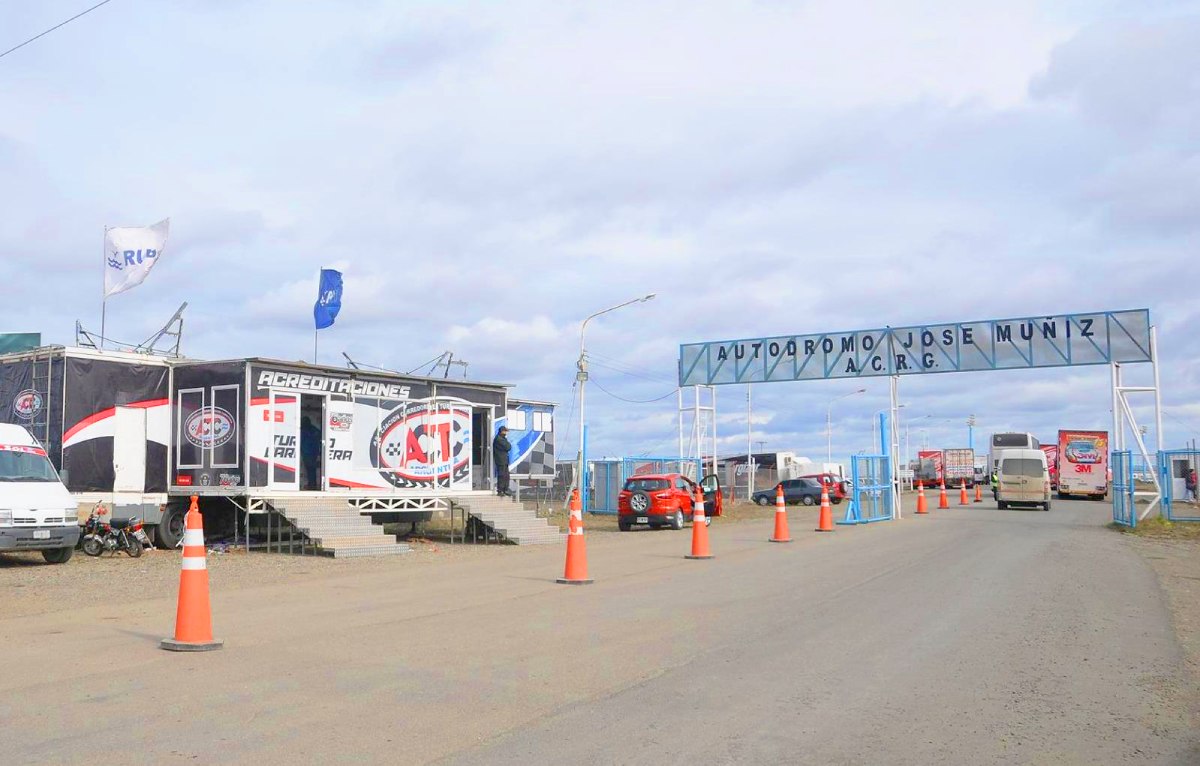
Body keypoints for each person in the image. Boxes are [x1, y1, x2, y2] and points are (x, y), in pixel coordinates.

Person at [300, 415, 321, 490]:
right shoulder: (314, 429)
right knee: (312, 470)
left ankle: (311, 485)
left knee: (309, 470)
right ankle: (313, 485)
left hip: (307, 453)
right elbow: (320, 435)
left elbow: (300, 441)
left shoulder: (303, 430)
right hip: (314, 453)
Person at [493, 426, 512, 497]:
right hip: (501, 460)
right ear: (502, 431)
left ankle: (505, 489)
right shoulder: (499, 439)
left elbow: (508, 446)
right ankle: (500, 490)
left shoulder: (503, 438)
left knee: (506, 475)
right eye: (505, 431)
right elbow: (508, 447)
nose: (506, 433)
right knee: (501, 475)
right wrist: (507, 442)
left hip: (504, 460)